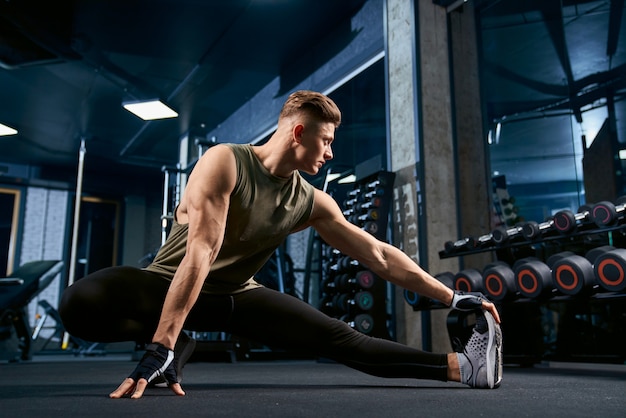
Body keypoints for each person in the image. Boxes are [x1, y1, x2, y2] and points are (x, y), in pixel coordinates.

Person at [59, 90, 502, 400]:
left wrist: (453, 296)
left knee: (342, 339)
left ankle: (462, 367)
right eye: (326, 141)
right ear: (298, 133)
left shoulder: (312, 202)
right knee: (81, 302)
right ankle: (179, 342)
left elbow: (380, 255)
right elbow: (202, 251)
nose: (330, 153)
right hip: (169, 285)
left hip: (236, 296)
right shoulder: (225, 162)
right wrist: (162, 346)